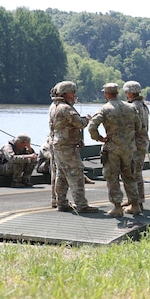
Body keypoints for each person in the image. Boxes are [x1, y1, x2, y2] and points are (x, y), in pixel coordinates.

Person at [88, 83, 143, 217]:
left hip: (112, 149)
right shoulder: (130, 107)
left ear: (106, 94)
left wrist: (99, 138)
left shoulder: (105, 109)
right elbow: (139, 126)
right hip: (129, 149)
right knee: (129, 176)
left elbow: (91, 127)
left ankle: (117, 207)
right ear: (117, 93)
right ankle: (135, 205)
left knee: (112, 177)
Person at [49, 81, 99, 213]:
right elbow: (79, 123)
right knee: (76, 173)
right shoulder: (66, 108)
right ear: (66, 93)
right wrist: (88, 118)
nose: (75, 94)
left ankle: (61, 203)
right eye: (73, 92)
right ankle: (82, 205)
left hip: (57, 145)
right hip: (67, 147)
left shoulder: (53, 106)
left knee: (62, 175)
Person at [124, 80, 150, 210]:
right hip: (142, 142)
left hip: (135, 144)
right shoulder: (143, 105)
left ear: (129, 93)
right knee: (135, 172)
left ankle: (137, 202)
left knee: (134, 173)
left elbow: (131, 127)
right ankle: (132, 199)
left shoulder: (133, 107)